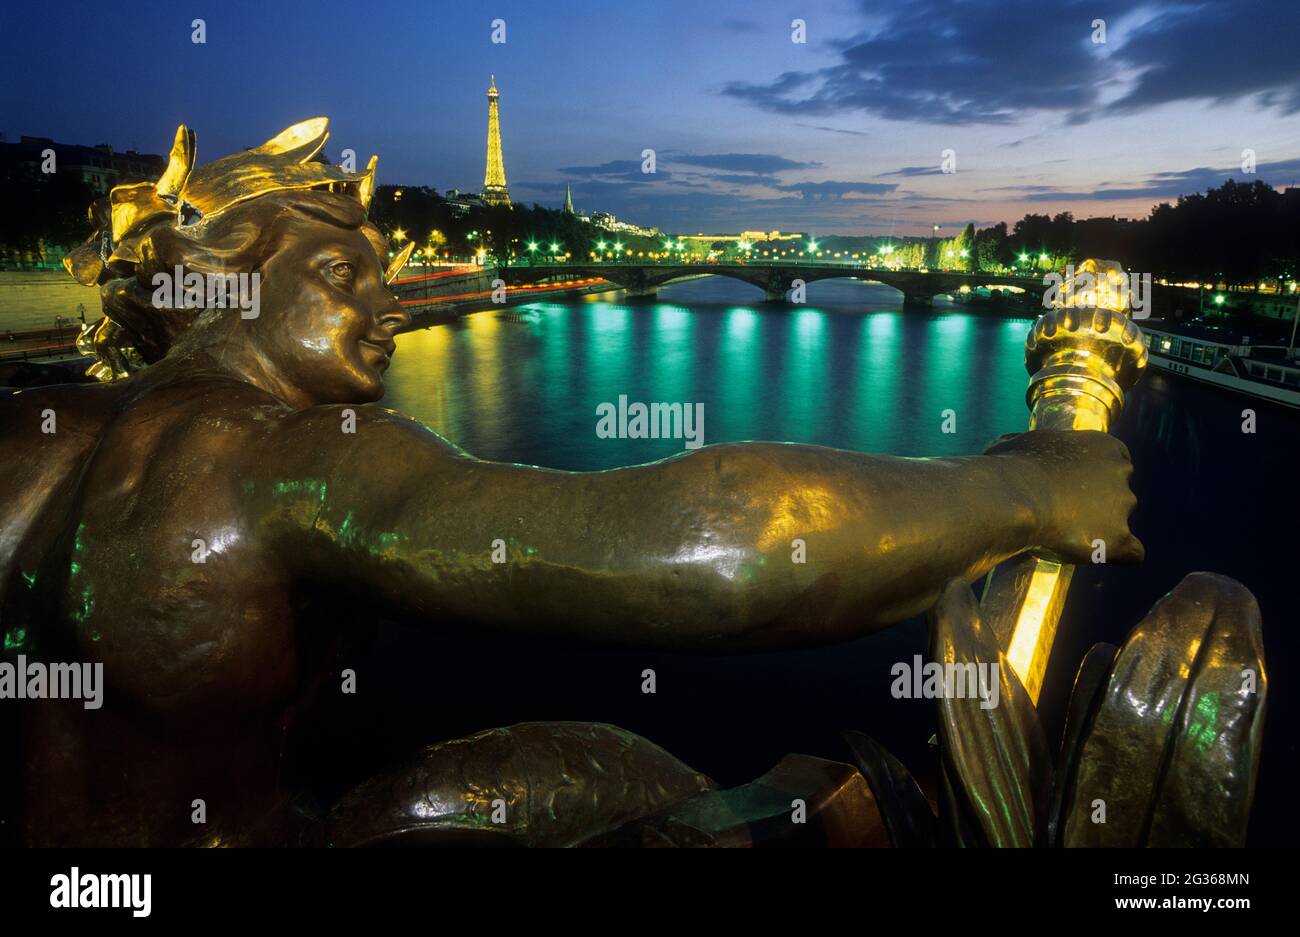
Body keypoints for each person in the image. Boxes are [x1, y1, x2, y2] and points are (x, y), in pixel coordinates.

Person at [0, 121, 1140, 846]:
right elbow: (704, 547)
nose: (384, 308)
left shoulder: (40, 437)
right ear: (226, 291)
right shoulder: (282, 455)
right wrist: (1033, 486)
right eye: (342, 273)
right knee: (616, 776)